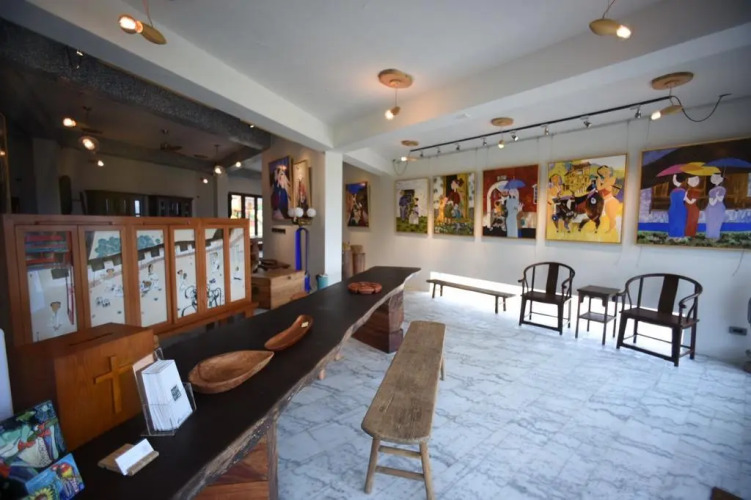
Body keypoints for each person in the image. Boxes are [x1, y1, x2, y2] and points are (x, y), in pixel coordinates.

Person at [596, 165, 620, 234]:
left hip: (610, 201)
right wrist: (599, 181)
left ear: (609, 171)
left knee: (611, 217)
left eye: (605, 171)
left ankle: (610, 230)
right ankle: (598, 229)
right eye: (602, 173)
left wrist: (598, 181)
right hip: (603, 201)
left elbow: (599, 188)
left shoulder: (612, 179)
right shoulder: (603, 180)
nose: (604, 173)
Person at [705, 172, 726, 240]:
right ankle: (710, 236)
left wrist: (717, 196)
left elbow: (720, 199)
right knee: (711, 222)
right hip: (712, 209)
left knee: (717, 222)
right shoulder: (712, 191)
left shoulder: (722, 189)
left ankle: (716, 236)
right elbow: (712, 203)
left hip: (719, 208)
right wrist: (716, 197)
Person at [667, 174, 687, 239]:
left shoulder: (672, 191)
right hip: (681, 208)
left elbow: (671, 200)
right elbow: (684, 200)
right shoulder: (684, 191)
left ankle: (672, 235)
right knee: (680, 222)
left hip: (673, 208)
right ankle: (680, 235)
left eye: (674, 179)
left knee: (673, 222)